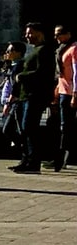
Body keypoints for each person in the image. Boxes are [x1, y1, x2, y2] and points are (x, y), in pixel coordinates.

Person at [13, 22, 58, 174]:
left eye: (30, 33)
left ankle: (34, 162)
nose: (27, 36)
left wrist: (21, 76)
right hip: (26, 95)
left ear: (39, 33)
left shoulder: (45, 51)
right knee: (25, 129)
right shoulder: (34, 50)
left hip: (36, 95)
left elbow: (43, 73)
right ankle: (26, 160)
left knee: (29, 128)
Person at [52, 23, 75, 173]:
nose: (56, 37)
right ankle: (62, 156)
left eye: (59, 34)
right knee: (63, 125)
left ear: (68, 34)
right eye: (55, 34)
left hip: (71, 93)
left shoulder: (74, 49)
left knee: (66, 126)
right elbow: (61, 75)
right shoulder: (61, 50)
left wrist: (75, 94)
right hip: (63, 91)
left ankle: (63, 158)